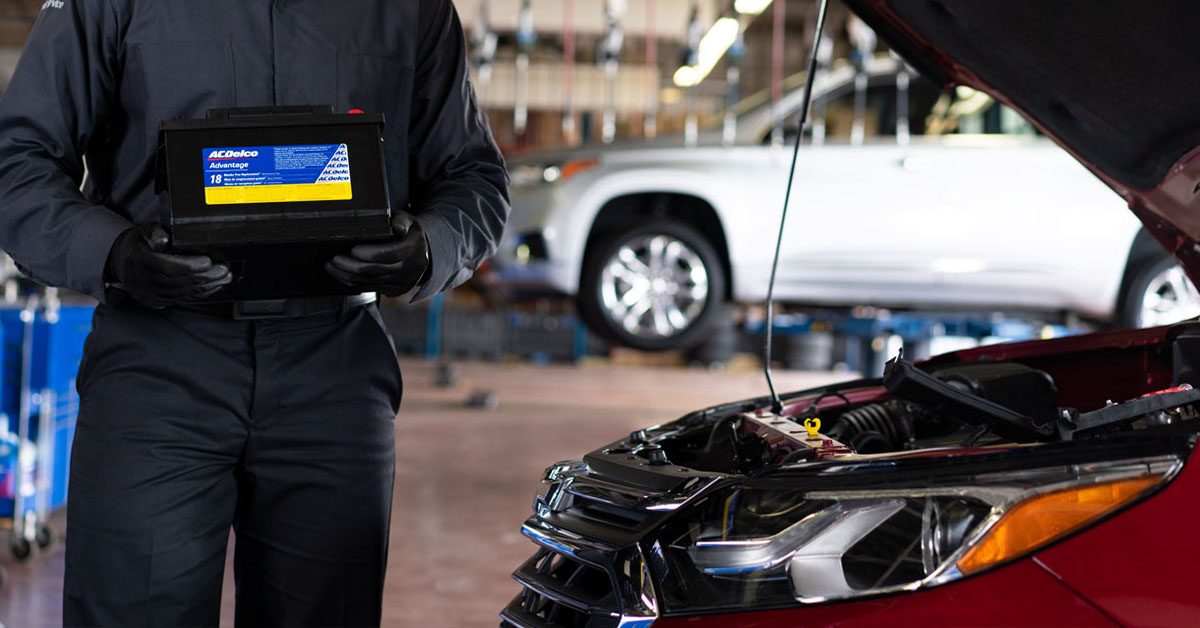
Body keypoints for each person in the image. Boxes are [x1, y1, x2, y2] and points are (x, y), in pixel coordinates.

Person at [0, 1, 509, 626]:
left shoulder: (409, 8)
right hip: (157, 363)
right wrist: (112, 252)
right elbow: (17, 159)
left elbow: (474, 178)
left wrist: (430, 246)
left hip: (335, 371)